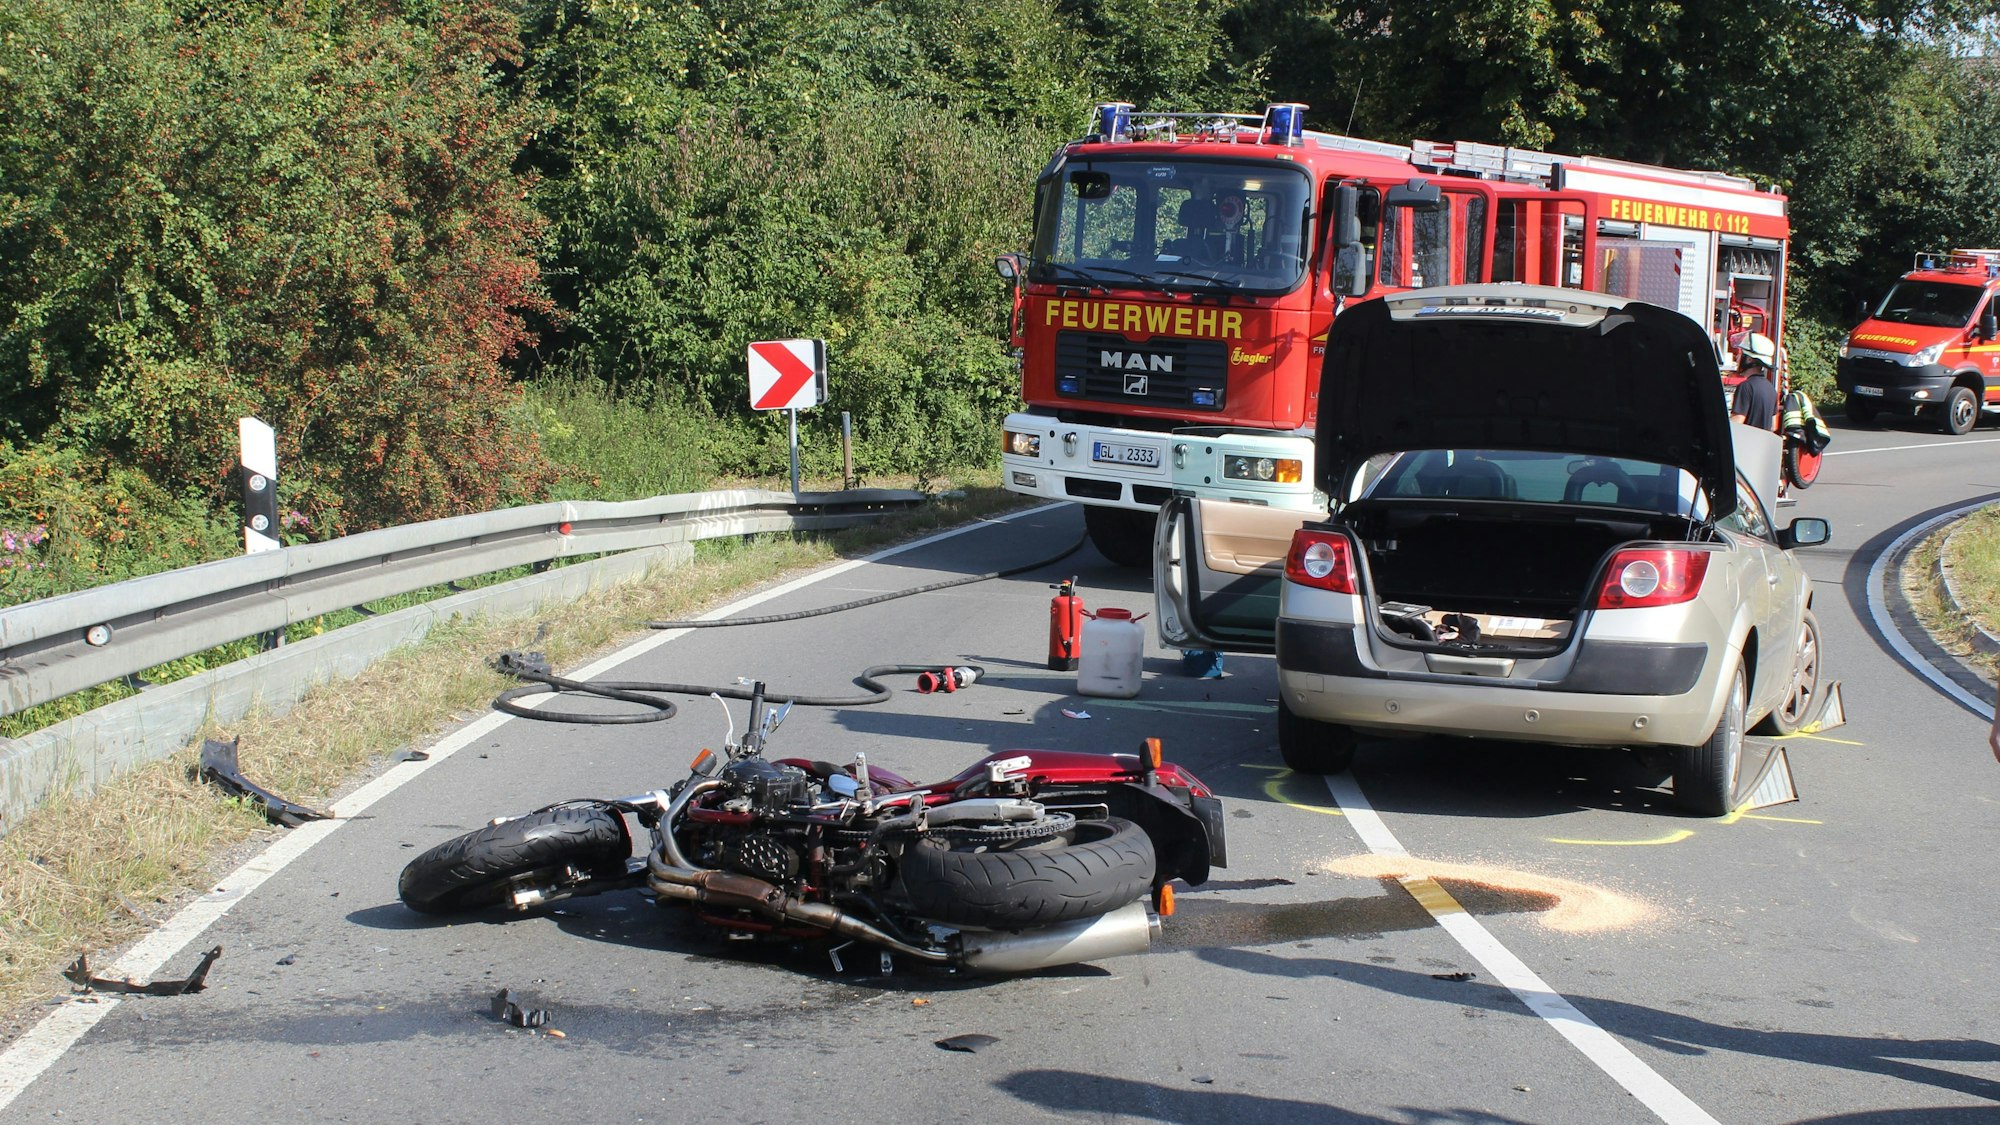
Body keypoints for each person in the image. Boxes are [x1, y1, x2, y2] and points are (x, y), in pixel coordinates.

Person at [1730, 332, 1780, 430]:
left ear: (1749, 359)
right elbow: (1773, 427)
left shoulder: (1746, 387)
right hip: (1762, 440)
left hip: (1746, 440)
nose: (1737, 358)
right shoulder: (1771, 389)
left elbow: (1736, 422)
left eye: (1741, 354)